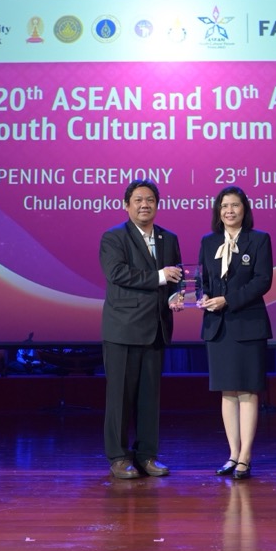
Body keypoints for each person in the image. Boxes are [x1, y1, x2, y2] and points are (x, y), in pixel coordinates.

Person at [100, 179, 184, 479]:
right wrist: (159, 276)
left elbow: (175, 277)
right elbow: (117, 273)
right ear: (126, 205)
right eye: (138, 200)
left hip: (156, 328)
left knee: (150, 399)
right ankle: (119, 457)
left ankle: (147, 455)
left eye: (150, 200)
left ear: (157, 205)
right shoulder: (114, 237)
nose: (144, 205)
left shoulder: (168, 238)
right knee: (120, 398)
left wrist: (176, 297)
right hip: (123, 329)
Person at [197, 186, 273, 480]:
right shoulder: (209, 241)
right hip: (218, 326)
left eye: (235, 205)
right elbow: (202, 280)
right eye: (224, 206)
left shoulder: (259, 239)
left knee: (247, 391)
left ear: (245, 209)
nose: (229, 211)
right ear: (218, 211)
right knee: (227, 391)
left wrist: (228, 300)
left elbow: (262, 281)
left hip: (248, 325)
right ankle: (232, 454)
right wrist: (201, 296)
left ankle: (245, 456)